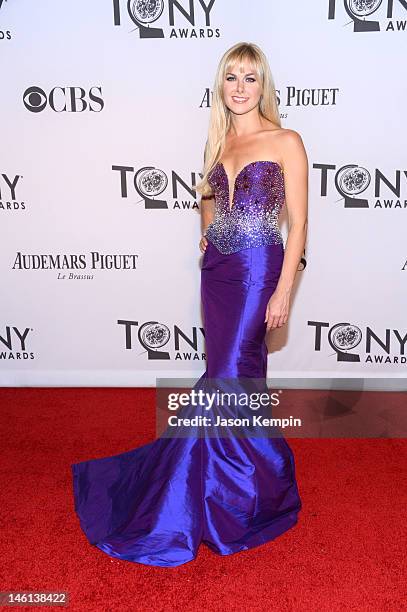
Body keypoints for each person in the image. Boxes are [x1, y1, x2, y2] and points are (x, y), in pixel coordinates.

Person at [71, 41, 308, 567]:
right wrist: (207, 236)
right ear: (220, 86)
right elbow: (208, 201)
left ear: (263, 84)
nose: (241, 87)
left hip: (256, 272)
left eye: (250, 77)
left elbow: (300, 224)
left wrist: (285, 287)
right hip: (219, 273)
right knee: (235, 380)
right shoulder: (218, 145)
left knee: (228, 376)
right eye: (231, 78)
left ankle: (223, 495)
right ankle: (238, 491)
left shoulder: (286, 140)